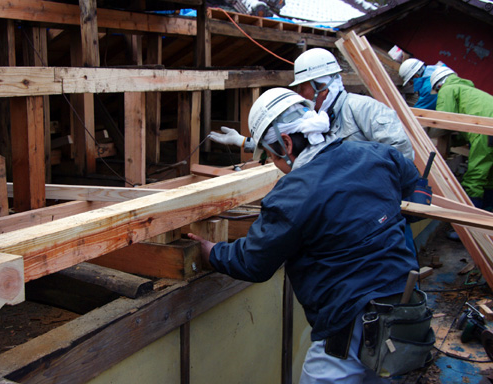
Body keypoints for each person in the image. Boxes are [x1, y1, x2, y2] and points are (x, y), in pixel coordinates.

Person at [191, 87, 433, 383]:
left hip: (349, 323)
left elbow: (254, 262)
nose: (277, 167)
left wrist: (212, 251)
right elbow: (415, 180)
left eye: (271, 157)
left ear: (287, 144)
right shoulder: (375, 154)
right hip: (404, 305)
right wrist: (415, 203)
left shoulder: (293, 195)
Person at [210, 48, 418, 256]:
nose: (300, 95)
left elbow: (401, 158)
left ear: (322, 85)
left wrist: (360, 190)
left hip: (379, 217)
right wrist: (246, 142)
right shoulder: (314, 117)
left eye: (303, 88)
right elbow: (292, 148)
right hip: (339, 221)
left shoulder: (364, 109)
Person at [431, 66, 493, 217]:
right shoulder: (469, 91)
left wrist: (430, 135)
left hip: (485, 131)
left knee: (475, 176)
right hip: (488, 129)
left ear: (439, 85)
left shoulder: (448, 89)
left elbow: (443, 119)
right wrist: (454, 141)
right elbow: (464, 131)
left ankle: (470, 226)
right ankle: (487, 218)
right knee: (490, 176)